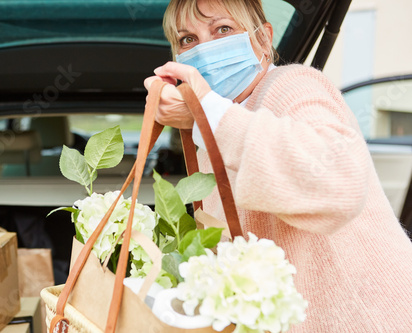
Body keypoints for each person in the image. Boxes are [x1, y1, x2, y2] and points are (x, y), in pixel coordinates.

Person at [144, 0, 412, 332]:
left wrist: (210, 114)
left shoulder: (293, 84)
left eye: (222, 29)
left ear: (262, 41)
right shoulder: (218, 126)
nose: (205, 48)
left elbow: (339, 186)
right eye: (187, 39)